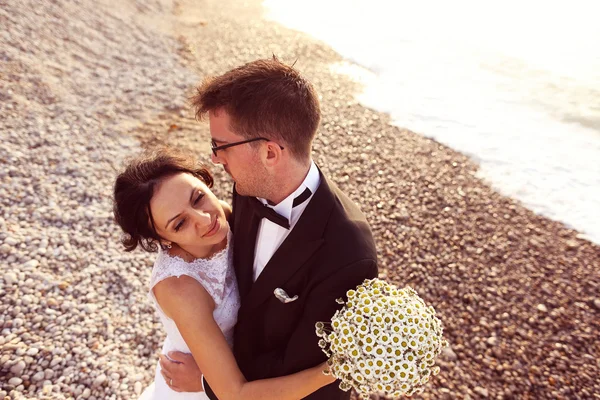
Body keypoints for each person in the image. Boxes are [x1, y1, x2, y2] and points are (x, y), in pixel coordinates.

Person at [161, 57, 378, 399]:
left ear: (270, 153)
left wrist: (208, 383)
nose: (216, 159)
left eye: (221, 146)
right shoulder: (249, 184)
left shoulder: (348, 255)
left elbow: (307, 373)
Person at [113, 148, 335, 399]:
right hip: (201, 387)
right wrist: (336, 370)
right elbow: (234, 393)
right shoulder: (180, 288)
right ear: (162, 239)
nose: (204, 219)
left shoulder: (223, 214)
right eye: (179, 224)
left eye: (197, 198)